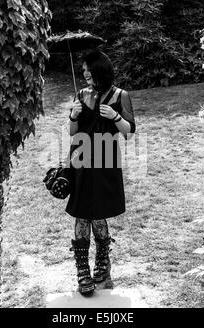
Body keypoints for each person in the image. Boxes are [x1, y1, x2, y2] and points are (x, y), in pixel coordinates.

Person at [66, 50, 136, 296]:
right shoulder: (81, 94)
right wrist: (74, 115)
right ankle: (82, 269)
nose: (85, 73)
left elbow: (128, 131)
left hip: (106, 160)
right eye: (83, 69)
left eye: (89, 69)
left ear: (100, 71)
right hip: (81, 157)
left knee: (98, 213)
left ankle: (102, 262)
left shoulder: (120, 95)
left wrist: (115, 116)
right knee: (82, 212)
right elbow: (72, 132)